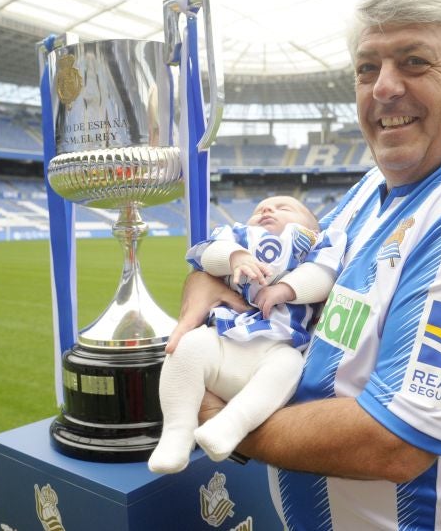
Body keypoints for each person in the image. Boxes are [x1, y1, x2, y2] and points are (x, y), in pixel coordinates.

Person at [169, 0, 441, 529]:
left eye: (415, 62)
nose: (383, 88)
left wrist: (221, 419)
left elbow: (395, 442)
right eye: (366, 69)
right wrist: (198, 303)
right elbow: (241, 277)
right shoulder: (366, 195)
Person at [148, 195, 345, 474]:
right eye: (259, 208)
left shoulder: (315, 242)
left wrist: (286, 289)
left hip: (276, 346)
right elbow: (207, 256)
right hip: (225, 339)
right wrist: (234, 256)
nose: (267, 209)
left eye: (284, 207)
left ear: (313, 228)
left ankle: (229, 427)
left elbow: (322, 275)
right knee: (187, 346)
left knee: (288, 366)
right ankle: (176, 434)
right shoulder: (236, 236)